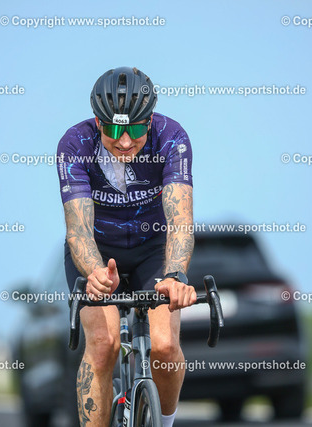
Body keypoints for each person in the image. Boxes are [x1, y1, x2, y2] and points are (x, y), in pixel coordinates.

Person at [57, 66, 196, 427]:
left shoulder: (171, 138)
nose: (123, 141)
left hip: (153, 249)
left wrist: (176, 274)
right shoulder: (75, 144)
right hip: (99, 252)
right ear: (98, 122)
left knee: (164, 346)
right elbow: (78, 231)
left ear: (149, 122)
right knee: (103, 346)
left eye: (134, 130)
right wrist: (94, 272)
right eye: (113, 130)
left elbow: (180, 221)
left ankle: (164, 423)